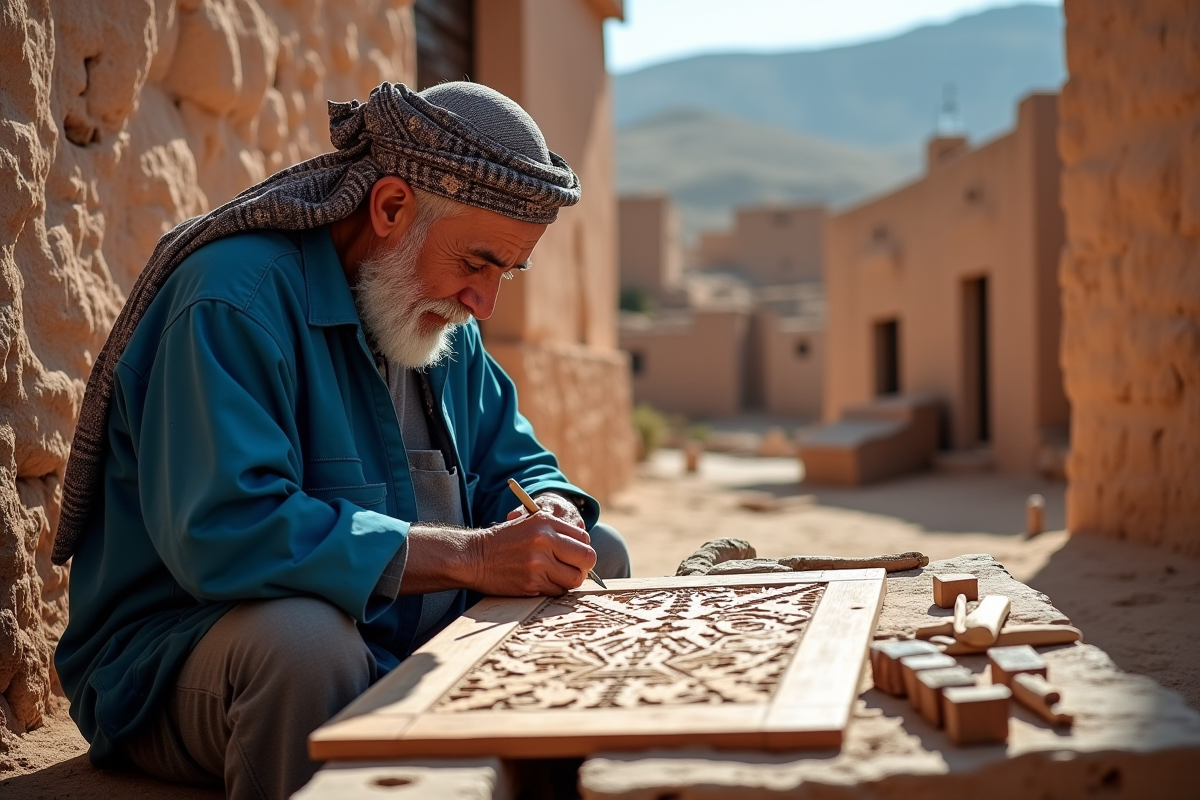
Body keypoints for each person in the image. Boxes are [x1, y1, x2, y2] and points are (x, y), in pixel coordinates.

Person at [52, 81, 630, 800]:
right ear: (390, 208)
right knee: (304, 644)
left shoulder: (441, 316)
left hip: (389, 635)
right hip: (183, 656)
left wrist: (550, 507)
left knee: (593, 555)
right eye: (478, 262)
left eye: (507, 272)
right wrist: (475, 555)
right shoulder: (234, 302)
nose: (485, 302)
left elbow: (513, 462)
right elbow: (228, 532)